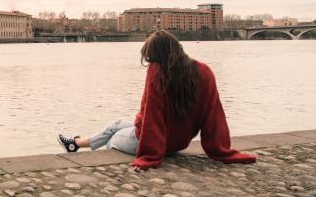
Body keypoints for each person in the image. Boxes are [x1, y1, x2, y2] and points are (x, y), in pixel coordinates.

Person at [57, 30, 256, 170]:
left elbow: (151, 115)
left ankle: (79, 145)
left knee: (112, 139)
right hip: (179, 142)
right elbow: (214, 115)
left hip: (156, 144)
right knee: (116, 124)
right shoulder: (204, 71)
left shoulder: (158, 72)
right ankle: (74, 143)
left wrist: (148, 157)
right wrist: (221, 150)